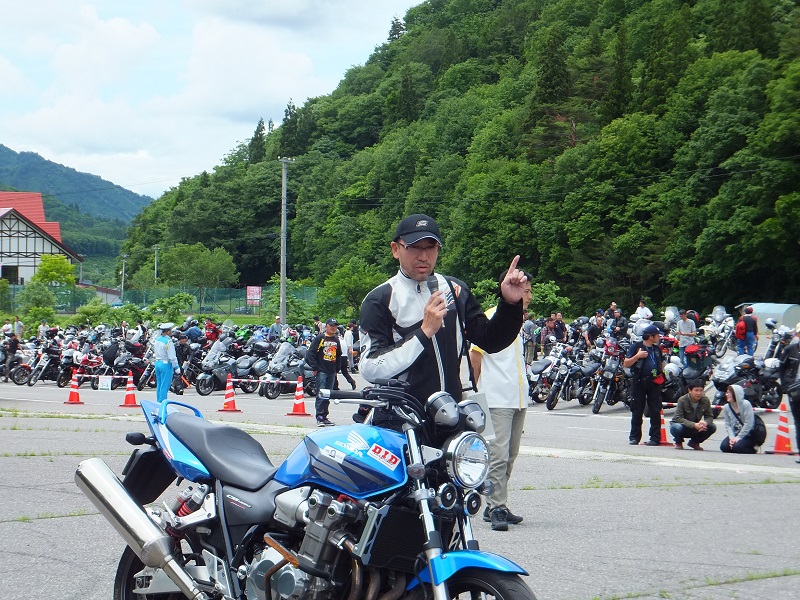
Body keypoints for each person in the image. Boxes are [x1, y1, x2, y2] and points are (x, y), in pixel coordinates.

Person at [358, 213, 526, 407]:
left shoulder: (455, 290)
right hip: (402, 414)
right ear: (396, 249)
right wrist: (423, 333)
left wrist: (510, 304)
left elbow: (491, 340)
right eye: (414, 247)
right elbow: (370, 368)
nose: (423, 257)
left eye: (431, 247)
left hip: (450, 412)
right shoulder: (380, 299)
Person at [469, 269, 533, 531]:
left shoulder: (520, 322)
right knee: (497, 455)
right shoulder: (493, 316)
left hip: (517, 397)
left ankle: (496, 505)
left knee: (510, 455)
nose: (529, 296)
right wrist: (476, 393)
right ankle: (496, 506)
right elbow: (475, 356)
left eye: (529, 291)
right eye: (526, 290)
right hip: (495, 397)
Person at [623, 323, 665, 446]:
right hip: (639, 381)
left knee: (655, 410)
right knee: (637, 410)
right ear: (651, 336)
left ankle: (655, 438)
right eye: (657, 335)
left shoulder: (657, 349)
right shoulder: (637, 346)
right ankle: (634, 437)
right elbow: (626, 363)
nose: (659, 337)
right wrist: (638, 356)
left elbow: (662, 363)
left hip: (654, 382)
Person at [306, 318, 343, 426]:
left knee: (328, 394)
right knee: (321, 393)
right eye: (331, 325)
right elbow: (311, 353)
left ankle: (325, 416)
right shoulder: (320, 338)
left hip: (332, 371)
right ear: (326, 326)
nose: (333, 328)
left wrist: (337, 369)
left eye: (335, 326)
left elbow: (338, 355)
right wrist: (315, 367)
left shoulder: (336, 339)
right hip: (322, 370)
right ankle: (320, 416)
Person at [669, 380, 717, 450]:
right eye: (696, 390)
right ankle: (678, 441)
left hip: (697, 426)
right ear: (690, 390)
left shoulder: (705, 400)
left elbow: (709, 416)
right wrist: (694, 425)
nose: (699, 393)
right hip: (683, 426)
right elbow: (678, 418)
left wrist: (705, 423)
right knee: (677, 427)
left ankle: (694, 442)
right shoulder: (682, 400)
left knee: (712, 427)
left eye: (701, 390)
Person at [777, 323, 800, 462]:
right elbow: (781, 368)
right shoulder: (790, 350)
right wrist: (786, 386)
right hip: (795, 391)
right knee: (798, 422)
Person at [719, 384, 760, 453]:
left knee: (737, 447)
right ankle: (736, 445)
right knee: (724, 447)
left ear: (736, 394)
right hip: (735, 433)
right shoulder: (726, 407)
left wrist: (739, 437)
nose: (727, 394)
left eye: (729, 393)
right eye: (727, 392)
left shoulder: (746, 404)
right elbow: (728, 424)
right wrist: (732, 437)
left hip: (748, 434)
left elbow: (749, 424)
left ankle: (753, 449)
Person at [152, 323, 179, 403]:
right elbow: (172, 357)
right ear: (168, 332)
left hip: (157, 363)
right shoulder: (168, 341)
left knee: (159, 385)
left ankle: (158, 402)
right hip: (166, 364)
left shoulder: (157, 339)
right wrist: (176, 367)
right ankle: (162, 404)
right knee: (165, 386)